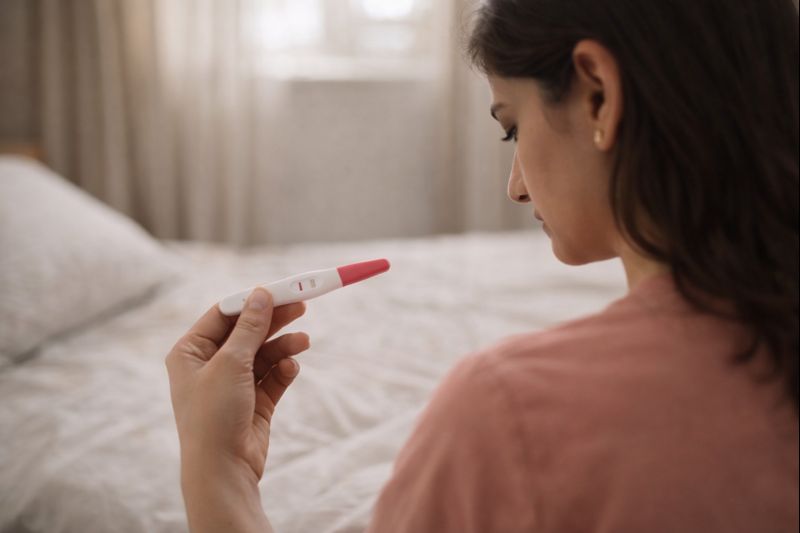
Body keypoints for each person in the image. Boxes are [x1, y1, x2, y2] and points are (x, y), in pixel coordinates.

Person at [165, 0, 799, 531]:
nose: (516, 188)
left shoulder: (509, 411)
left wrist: (217, 471)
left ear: (599, 96)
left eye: (512, 127)